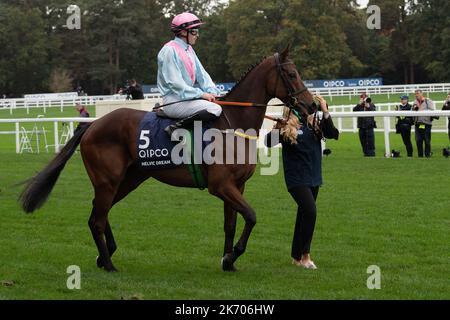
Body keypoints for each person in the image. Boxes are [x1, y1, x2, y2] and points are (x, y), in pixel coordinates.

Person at [264, 95, 339, 269]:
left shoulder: (313, 125)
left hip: (314, 176)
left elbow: (332, 134)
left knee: (304, 215)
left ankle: (296, 257)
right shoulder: (287, 127)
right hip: (296, 178)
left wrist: (325, 110)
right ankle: (306, 256)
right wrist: (277, 128)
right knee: (310, 212)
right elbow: (268, 142)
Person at [157, 12, 221, 137]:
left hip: (187, 99)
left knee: (218, 104)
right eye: (194, 31)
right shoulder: (168, 50)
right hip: (173, 101)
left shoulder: (189, 49)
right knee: (215, 109)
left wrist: (213, 91)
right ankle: (175, 128)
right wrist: (202, 94)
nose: (197, 35)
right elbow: (175, 84)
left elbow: (202, 74)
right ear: (183, 32)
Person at [413, 90, 435, 158]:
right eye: (415, 94)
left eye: (418, 93)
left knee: (427, 140)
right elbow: (412, 111)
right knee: (418, 140)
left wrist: (421, 111)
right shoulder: (415, 101)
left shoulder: (428, 101)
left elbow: (432, 110)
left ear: (422, 94)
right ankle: (420, 156)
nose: (416, 95)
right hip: (417, 123)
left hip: (426, 123)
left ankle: (427, 155)